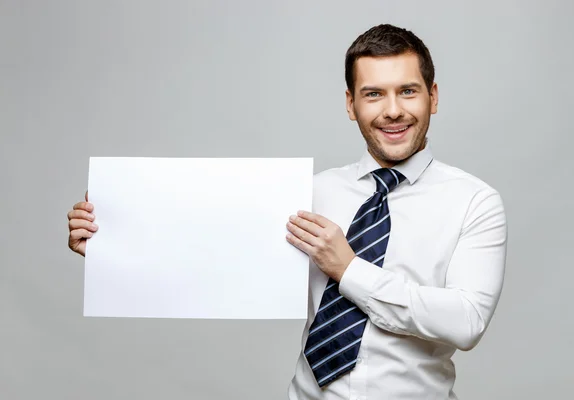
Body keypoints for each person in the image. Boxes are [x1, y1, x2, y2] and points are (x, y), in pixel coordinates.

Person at [67, 24, 507, 400]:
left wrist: (348, 269)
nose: (393, 110)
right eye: (373, 94)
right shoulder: (309, 195)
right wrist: (116, 250)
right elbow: (224, 273)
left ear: (432, 97)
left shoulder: (474, 201)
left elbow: (465, 322)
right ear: (351, 105)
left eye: (407, 91)